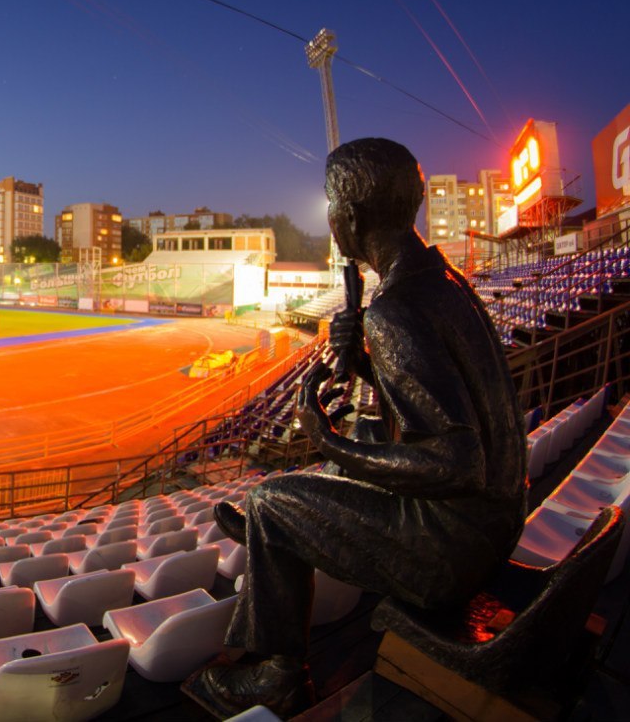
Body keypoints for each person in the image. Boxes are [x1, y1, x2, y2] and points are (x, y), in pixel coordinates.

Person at [183, 138, 527, 718]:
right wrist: (370, 361)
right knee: (298, 501)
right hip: (497, 522)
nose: (332, 219)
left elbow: (453, 461)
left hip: (455, 549)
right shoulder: (445, 282)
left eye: (331, 205)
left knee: (271, 499)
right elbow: (442, 396)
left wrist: (327, 441)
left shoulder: (395, 309)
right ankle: (279, 539)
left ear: (353, 217)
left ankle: (278, 676)